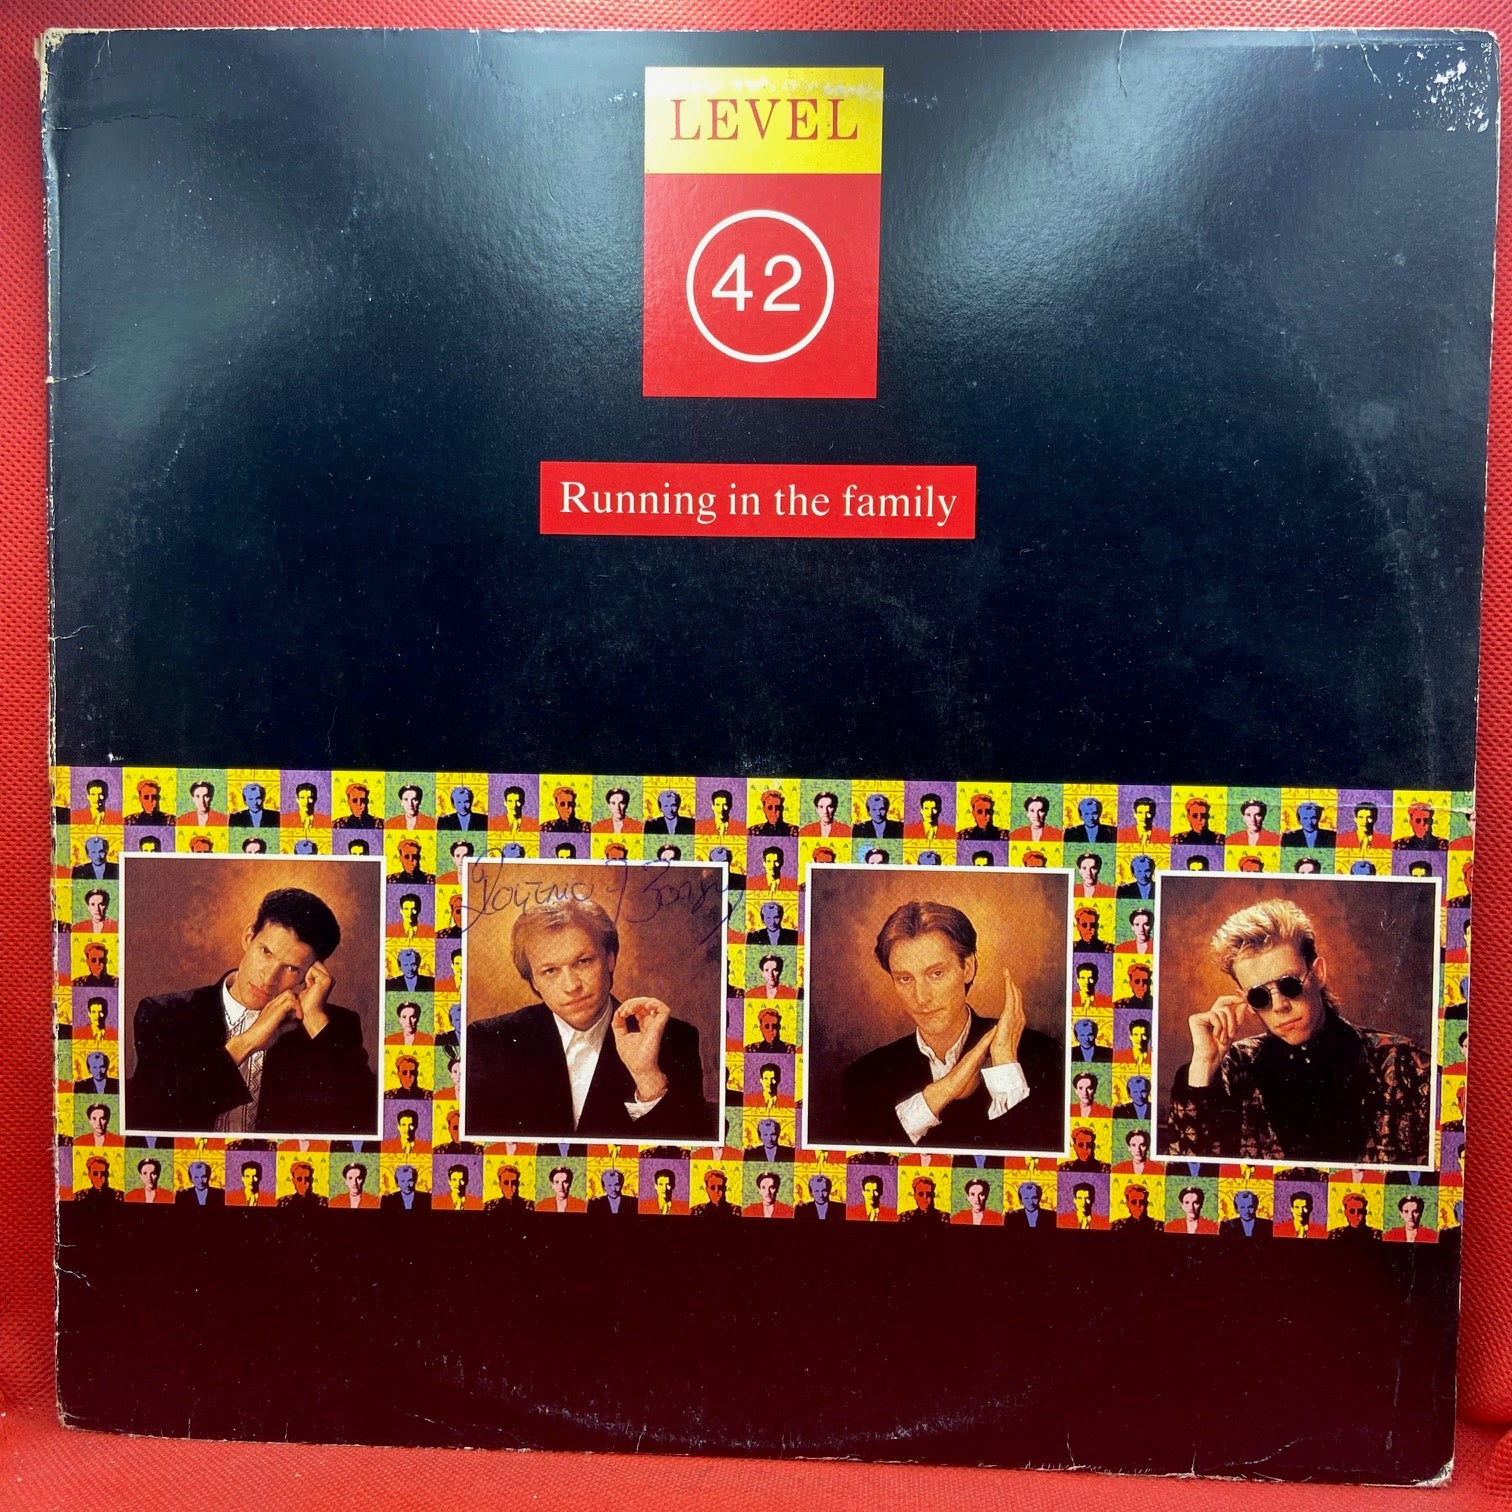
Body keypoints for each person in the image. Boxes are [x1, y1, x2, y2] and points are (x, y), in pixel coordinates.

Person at [1165, 898, 1431, 1163]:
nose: (1279, 1006)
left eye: (1289, 985)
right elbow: (1188, 1176)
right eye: (1260, 996)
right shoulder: (1232, 1068)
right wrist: (1203, 1064)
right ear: (1245, 1000)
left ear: (1318, 973)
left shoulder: (1407, 1063)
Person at [127, 886, 376, 1135]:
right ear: (248, 938)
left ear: (310, 974)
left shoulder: (332, 1027)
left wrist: (315, 1019)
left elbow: (367, 1124)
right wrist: (246, 1042)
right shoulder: (165, 1014)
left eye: (292, 968)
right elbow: (147, 1119)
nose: (269, 978)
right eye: (266, 952)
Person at [467, 896, 709, 1139]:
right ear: (534, 981)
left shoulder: (674, 1038)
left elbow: (688, 1151)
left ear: (610, 959)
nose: (571, 986)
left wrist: (647, 1077)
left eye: (583, 962)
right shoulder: (489, 1041)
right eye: (550, 971)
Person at [838, 900, 1062, 1151]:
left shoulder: (1045, 1054)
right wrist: (943, 1090)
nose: (921, 997)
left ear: (968, 968)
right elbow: (870, 1164)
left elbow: (1037, 1163)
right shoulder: (865, 1076)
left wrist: (1005, 1063)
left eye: (936, 974)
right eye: (905, 979)